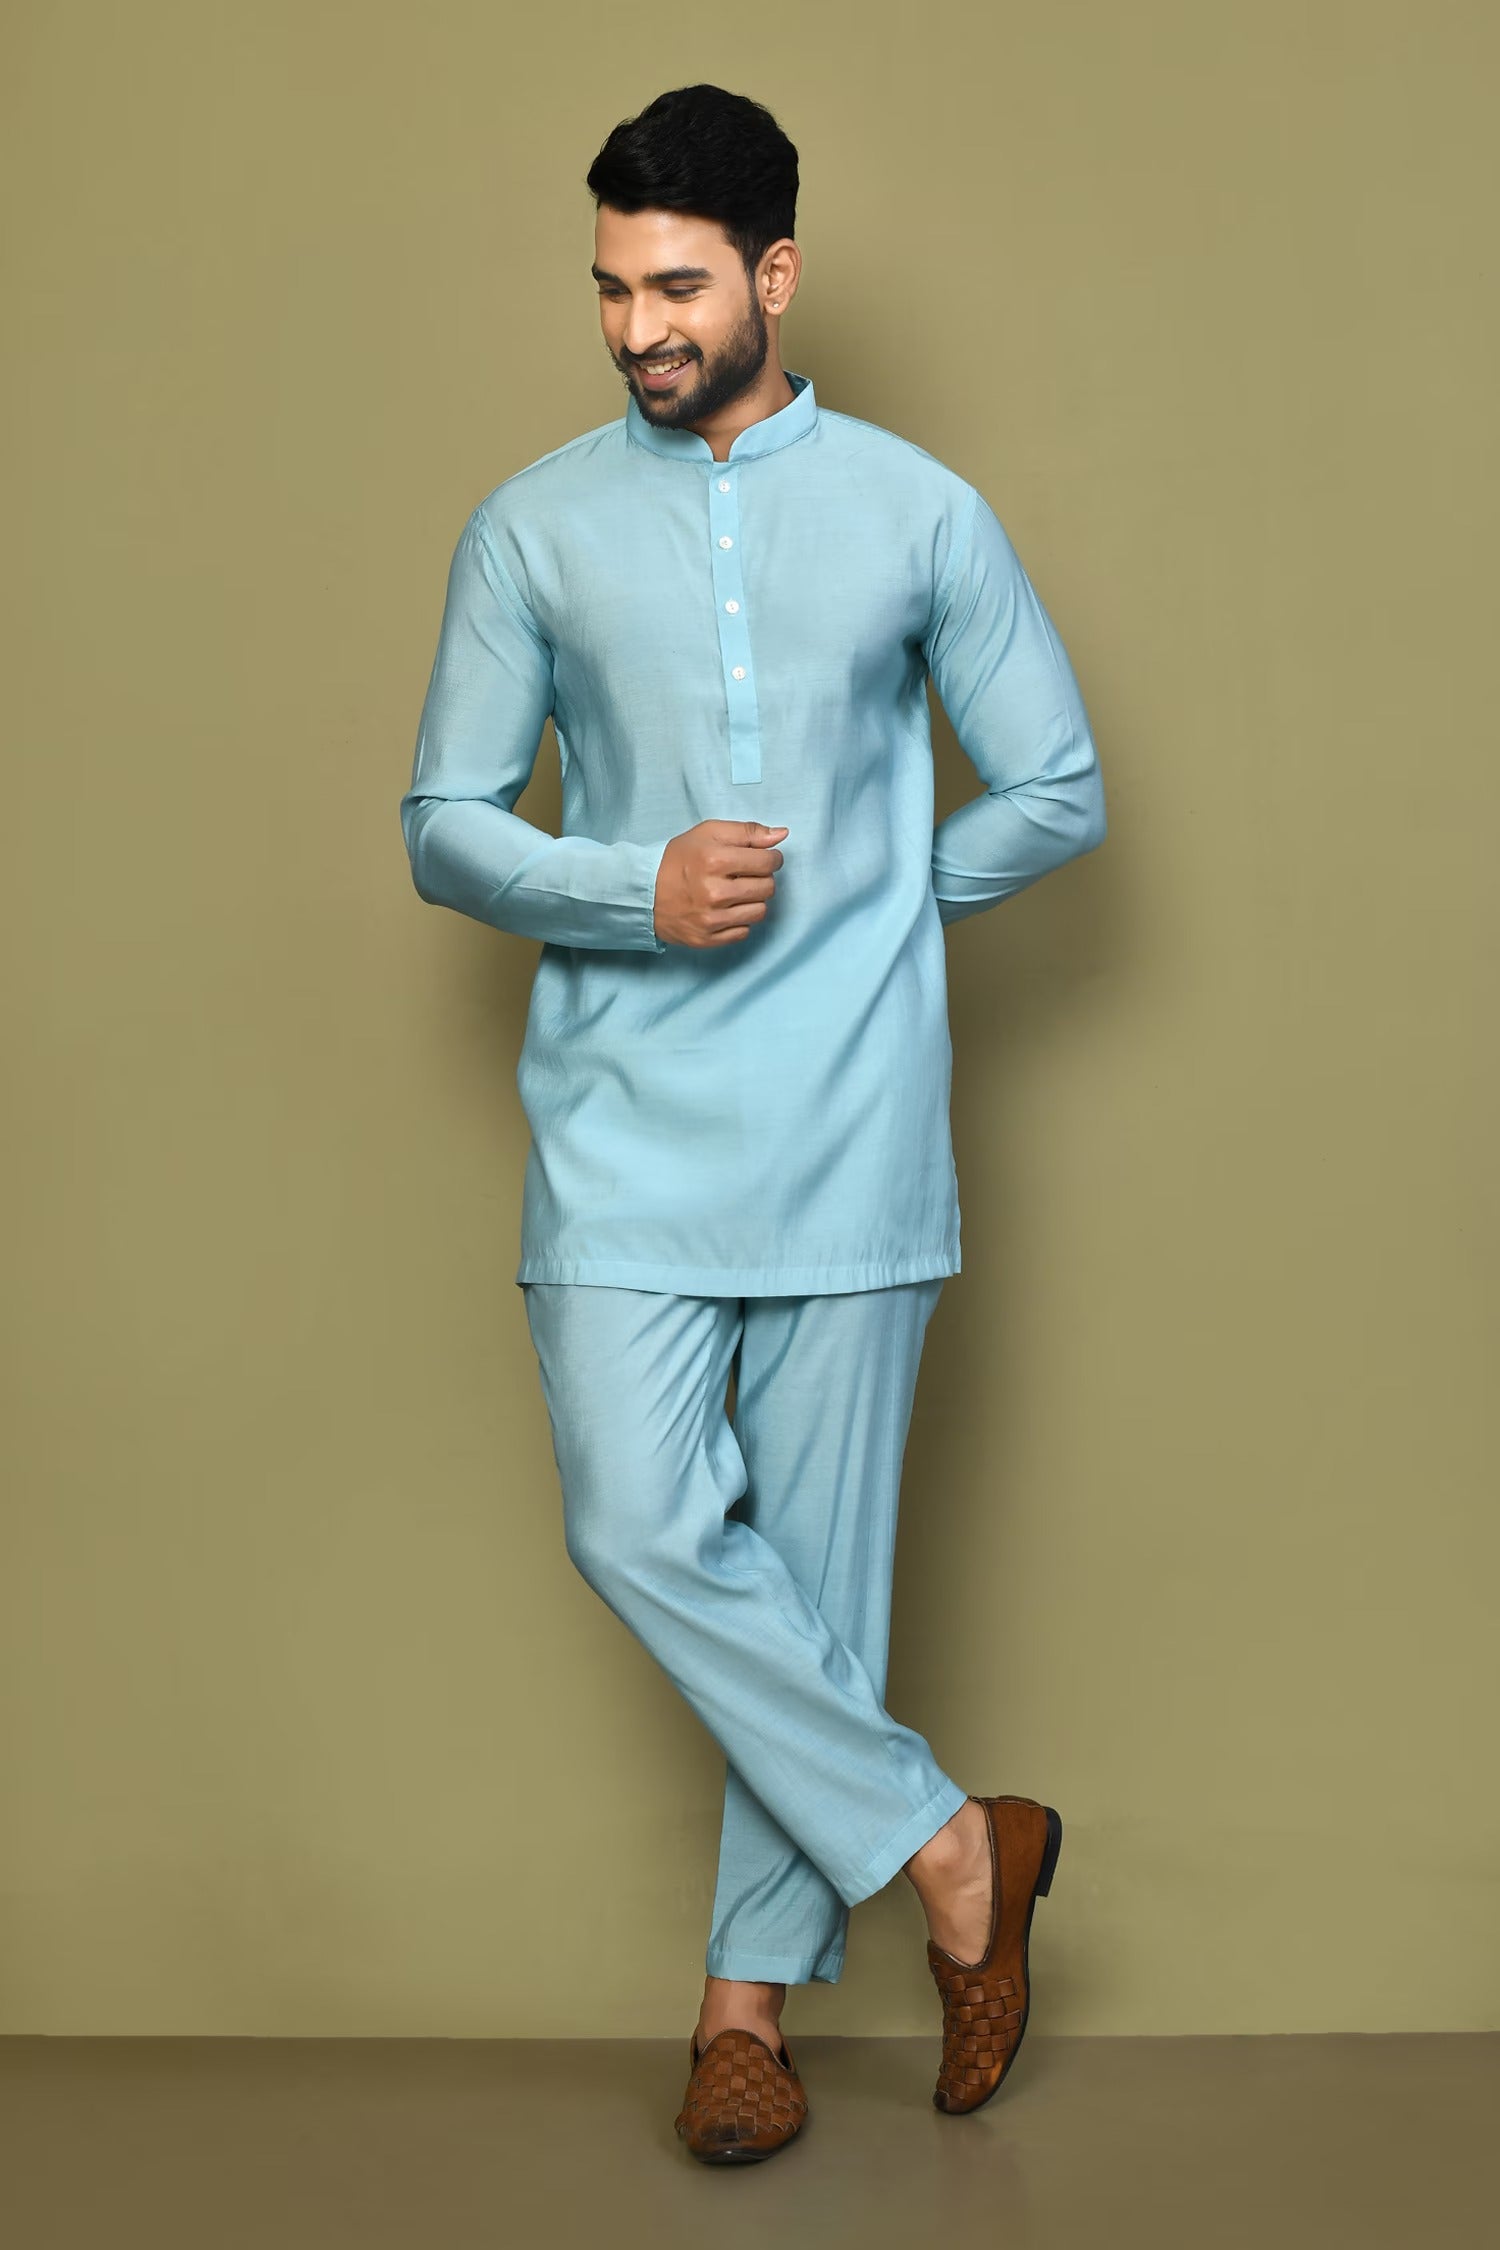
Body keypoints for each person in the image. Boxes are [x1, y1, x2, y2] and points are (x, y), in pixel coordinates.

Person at [400, 81, 1103, 2163]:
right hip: (621, 1127)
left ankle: (742, 2019)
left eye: (680, 286)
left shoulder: (917, 510)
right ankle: (962, 1850)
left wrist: (878, 910)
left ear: (774, 276)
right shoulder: (531, 526)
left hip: (854, 1128)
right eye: (612, 287)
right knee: (639, 1520)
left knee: (815, 1575)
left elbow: (1056, 786)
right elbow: (444, 824)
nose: (639, 328)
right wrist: (632, 886)